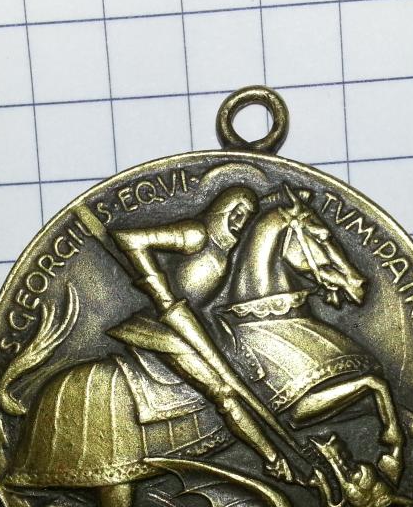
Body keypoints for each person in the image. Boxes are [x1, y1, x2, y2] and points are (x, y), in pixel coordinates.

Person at [107, 186, 295, 481]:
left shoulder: (223, 251)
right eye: (237, 212)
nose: (240, 221)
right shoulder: (197, 234)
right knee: (223, 392)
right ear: (222, 209)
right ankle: (272, 460)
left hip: (193, 325)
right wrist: (158, 289)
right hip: (162, 328)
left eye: (246, 217)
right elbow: (128, 238)